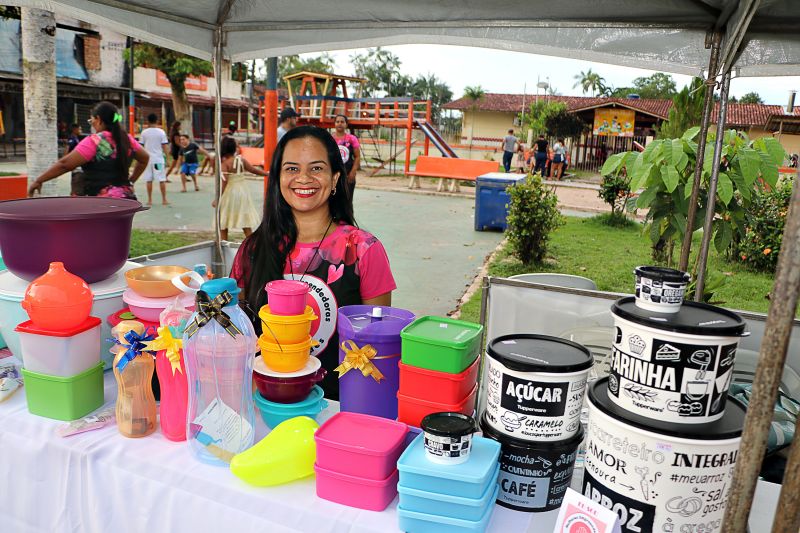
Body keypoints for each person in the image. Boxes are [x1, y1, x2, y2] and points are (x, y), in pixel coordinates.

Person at [231, 126, 396, 400]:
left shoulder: (364, 250)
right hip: (265, 402)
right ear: (278, 178)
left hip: (337, 408)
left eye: (316, 168)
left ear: (335, 179)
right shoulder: (254, 248)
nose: (303, 178)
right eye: (292, 169)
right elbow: (240, 334)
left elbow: (375, 348)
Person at [28, 101, 148, 199]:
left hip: (103, 201)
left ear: (99, 119)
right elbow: (144, 159)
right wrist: (131, 181)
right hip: (126, 198)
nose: (92, 125)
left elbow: (65, 164)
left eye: (91, 121)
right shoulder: (127, 139)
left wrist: (40, 180)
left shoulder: (95, 141)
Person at [213, 136, 266, 241]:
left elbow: (224, 181)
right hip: (242, 192)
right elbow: (253, 170)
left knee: (223, 221)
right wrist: (267, 173)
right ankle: (251, 244)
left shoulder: (225, 163)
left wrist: (217, 198)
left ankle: (224, 243)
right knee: (245, 219)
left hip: (229, 192)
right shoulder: (241, 160)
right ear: (233, 148)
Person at [140, 113, 170, 205]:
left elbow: (141, 146)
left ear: (148, 121)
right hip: (158, 160)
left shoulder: (144, 132)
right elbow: (164, 146)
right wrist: (167, 159)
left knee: (149, 180)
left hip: (148, 160)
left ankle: (150, 200)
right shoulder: (161, 132)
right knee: (161, 179)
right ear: (157, 121)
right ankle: (164, 200)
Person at [331, 114, 360, 196]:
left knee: (347, 200)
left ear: (346, 124)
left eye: (342, 122)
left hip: (348, 173)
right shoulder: (330, 138)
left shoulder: (352, 139)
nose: (340, 123)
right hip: (333, 174)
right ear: (335, 124)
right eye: (337, 122)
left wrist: (353, 173)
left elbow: (357, 157)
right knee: (333, 201)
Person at [67, 123, 85, 196]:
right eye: (79, 129)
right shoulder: (72, 138)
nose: (81, 130)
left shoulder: (76, 138)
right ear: (75, 130)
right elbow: (68, 148)